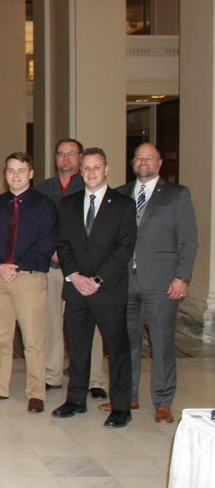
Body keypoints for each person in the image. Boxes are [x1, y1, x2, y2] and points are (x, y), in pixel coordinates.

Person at [112, 143, 197, 424]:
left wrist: (182, 276)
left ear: (159, 163)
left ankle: (163, 401)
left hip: (162, 283)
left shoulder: (177, 195)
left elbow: (188, 240)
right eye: (138, 158)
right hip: (125, 281)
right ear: (132, 163)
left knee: (161, 343)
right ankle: (129, 396)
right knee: (126, 342)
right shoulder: (121, 194)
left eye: (149, 158)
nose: (143, 162)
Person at [51, 147, 136, 428]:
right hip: (76, 288)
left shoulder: (123, 204)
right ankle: (76, 399)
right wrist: (74, 275)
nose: (90, 173)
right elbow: (62, 243)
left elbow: (124, 249)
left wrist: (97, 280)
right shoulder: (69, 203)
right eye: (86, 168)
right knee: (77, 348)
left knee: (117, 349)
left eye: (96, 167)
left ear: (106, 169)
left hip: (108, 290)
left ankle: (121, 407)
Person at [0, 152, 57, 413]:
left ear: (31, 173)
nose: (15, 176)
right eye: (10, 170)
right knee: (1, 337)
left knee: (33, 339)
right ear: (5, 174)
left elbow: (47, 243)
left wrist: (18, 266)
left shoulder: (45, 206)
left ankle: (36, 391)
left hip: (30, 279)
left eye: (21, 170)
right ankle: (0, 385)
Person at [36, 139, 108, 398]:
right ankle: (52, 375)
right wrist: (51, 250)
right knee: (52, 322)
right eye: (61, 154)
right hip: (53, 266)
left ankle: (95, 379)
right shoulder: (43, 188)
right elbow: (38, 227)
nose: (66, 159)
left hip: (83, 269)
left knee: (90, 325)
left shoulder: (89, 186)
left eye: (71, 154)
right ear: (55, 158)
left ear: (80, 158)